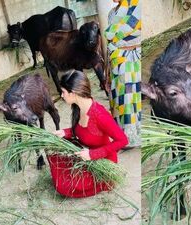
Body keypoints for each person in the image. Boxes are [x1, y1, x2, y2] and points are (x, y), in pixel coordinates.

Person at [48, 70, 128, 198]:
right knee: (54, 152)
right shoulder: (79, 107)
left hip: (102, 162)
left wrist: (93, 154)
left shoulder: (99, 115)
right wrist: (65, 132)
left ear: (73, 93)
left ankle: (103, 181)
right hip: (86, 153)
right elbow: (80, 131)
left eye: (63, 92)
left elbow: (123, 141)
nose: (62, 96)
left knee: (65, 185)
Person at [105, 0, 141, 148]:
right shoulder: (112, 13)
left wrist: (118, 41)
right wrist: (107, 72)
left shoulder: (137, 7)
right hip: (116, 60)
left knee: (131, 96)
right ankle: (122, 135)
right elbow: (110, 41)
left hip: (133, 57)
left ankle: (133, 136)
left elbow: (135, 31)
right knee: (118, 97)